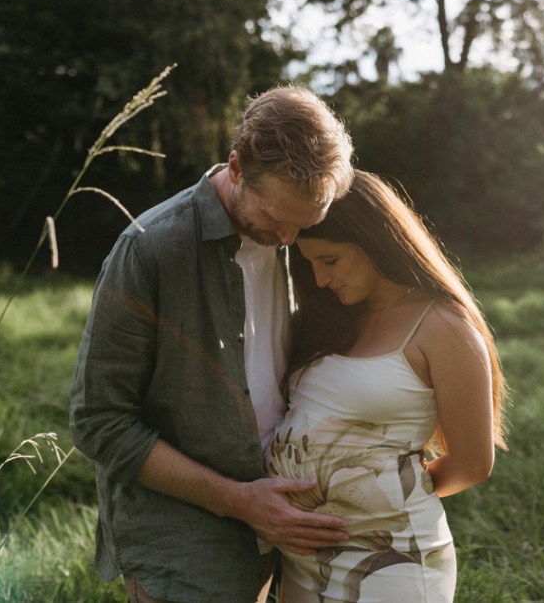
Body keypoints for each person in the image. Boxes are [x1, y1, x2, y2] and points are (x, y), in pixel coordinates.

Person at [70, 85, 356, 603]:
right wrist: (240, 501)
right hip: (183, 542)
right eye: (275, 219)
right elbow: (98, 421)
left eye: (304, 223)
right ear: (237, 168)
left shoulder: (304, 246)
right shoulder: (149, 249)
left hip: (288, 530)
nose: (290, 237)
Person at [264, 170, 509, 602]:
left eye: (330, 260)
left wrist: (375, 501)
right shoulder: (329, 318)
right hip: (303, 561)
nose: (320, 279)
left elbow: (472, 463)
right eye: (310, 263)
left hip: (392, 560)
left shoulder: (443, 326)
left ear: (374, 241)